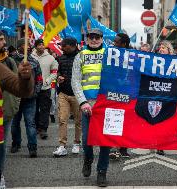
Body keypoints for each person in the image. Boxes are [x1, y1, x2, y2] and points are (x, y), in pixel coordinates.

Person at [71, 28, 110, 187]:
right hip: (88, 104)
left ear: (102, 38)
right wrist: (82, 102)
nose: (94, 40)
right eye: (91, 37)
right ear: (87, 39)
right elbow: (75, 81)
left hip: (107, 104)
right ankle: (88, 159)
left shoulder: (111, 54)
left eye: (97, 37)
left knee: (105, 141)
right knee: (87, 139)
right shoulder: (80, 56)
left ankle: (102, 172)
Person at [0, 30, 34, 188]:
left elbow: (23, 90)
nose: (4, 43)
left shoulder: (0, 67)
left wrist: (25, 77)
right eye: (0, 40)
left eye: (3, 40)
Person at [10, 38, 43, 157]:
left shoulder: (34, 61)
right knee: (15, 123)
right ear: (19, 47)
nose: (27, 47)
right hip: (15, 98)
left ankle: (32, 147)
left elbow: (39, 79)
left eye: (28, 45)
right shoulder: (11, 61)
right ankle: (16, 143)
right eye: (24, 45)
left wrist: (35, 92)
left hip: (30, 98)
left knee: (30, 123)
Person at [53, 37, 81, 157]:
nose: (62, 47)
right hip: (63, 93)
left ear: (72, 46)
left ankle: (76, 143)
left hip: (77, 95)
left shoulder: (81, 57)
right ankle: (62, 146)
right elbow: (58, 72)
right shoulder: (60, 58)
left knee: (78, 121)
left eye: (64, 45)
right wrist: (59, 76)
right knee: (62, 119)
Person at [109, 33, 132, 160]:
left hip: (128, 94)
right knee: (113, 120)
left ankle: (123, 148)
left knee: (125, 122)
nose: (114, 44)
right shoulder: (110, 54)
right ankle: (113, 148)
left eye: (117, 42)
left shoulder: (133, 56)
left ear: (124, 44)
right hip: (112, 93)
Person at [31, 39, 58, 140]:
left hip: (45, 88)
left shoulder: (50, 58)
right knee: (34, 109)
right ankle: (37, 127)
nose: (41, 46)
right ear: (35, 46)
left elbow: (54, 72)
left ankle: (43, 129)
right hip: (33, 88)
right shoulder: (30, 57)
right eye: (39, 45)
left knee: (45, 109)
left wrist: (47, 81)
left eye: (43, 45)